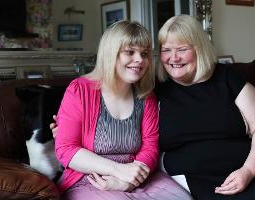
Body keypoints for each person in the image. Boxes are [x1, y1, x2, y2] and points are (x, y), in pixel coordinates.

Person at [54, 20, 192, 200]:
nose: (139, 60)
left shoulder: (146, 96)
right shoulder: (79, 90)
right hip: (90, 179)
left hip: (138, 176)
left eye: (144, 54)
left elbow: (150, 147)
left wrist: (130, 181)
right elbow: (66, 149)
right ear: (111, 53)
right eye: (130, 52)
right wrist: (119, 170)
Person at [154, 15, 255, 199]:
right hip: (187, 181)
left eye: (182, 49)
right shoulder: (157, 90)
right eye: (166, 50)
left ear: (199, 49)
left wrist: (249, 171)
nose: (174, 58)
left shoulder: (229, 79)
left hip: (243, 172)